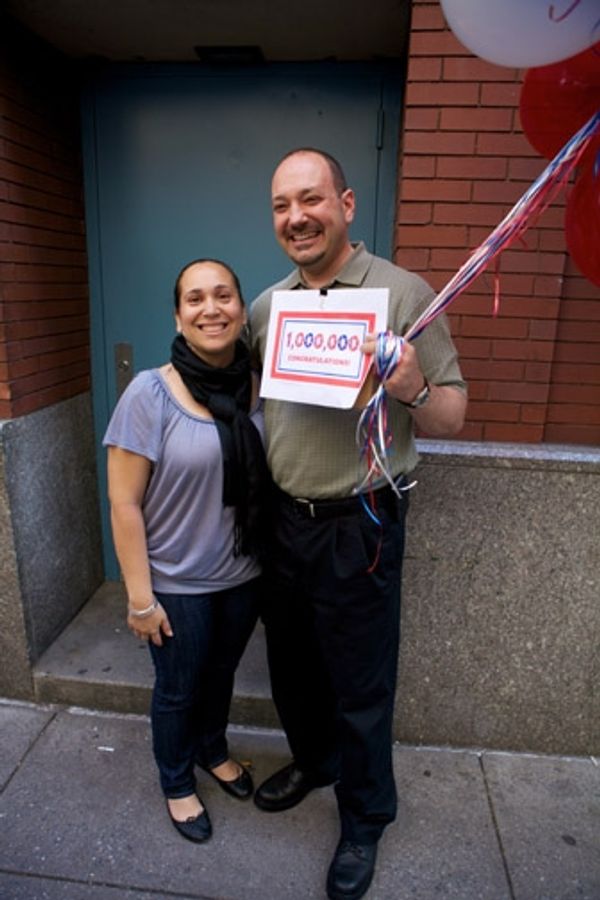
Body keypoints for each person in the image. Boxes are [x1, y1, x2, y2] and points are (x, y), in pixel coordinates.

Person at [250, 149, 467, 900]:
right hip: (284, 521)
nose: (296, 217)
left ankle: (366, 817)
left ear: (345, 202)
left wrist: (410, 386)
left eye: (310, 200)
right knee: (293, 667)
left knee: (361, 685)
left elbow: (453, 410)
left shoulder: (402, 293)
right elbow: (248, 395)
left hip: (362, 521)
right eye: (281, 205)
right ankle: (316, 761)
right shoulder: (268, 306)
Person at [103, 258, 270, 843]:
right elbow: (124, 503)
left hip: (243, 574)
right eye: (195, 299)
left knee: (221, 674)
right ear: (178, 315)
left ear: (241, 309)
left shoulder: (259, 384)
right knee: (178, 689)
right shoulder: (150, 393)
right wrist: (140, 598)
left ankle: (212, 749)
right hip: (176, 584)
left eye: (223, 295)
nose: (211, 308)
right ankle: (177, 781)